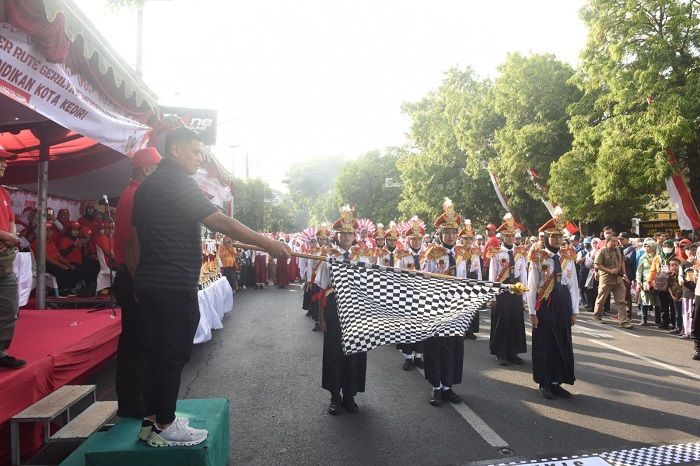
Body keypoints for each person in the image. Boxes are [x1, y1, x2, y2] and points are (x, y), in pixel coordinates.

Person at [132, 128, 289, 447]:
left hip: (152, 282)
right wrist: (267, 243)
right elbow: (219, 221)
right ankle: (165, 423)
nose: (199, 159)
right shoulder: (177, 182)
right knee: (172, 354)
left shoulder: (147, 186)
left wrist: (140, 278)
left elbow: (134, 240)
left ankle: (153, 419)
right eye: (194, 152)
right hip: (172, 282)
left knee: (157, 353)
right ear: (175, 150)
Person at [111, 146, 162, 419]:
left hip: (134, 276)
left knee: (138, 340)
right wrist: (142, 282)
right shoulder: (134, 195)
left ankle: (134, 400)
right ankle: (133, 403)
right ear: (146, 169)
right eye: (157, 168)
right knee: (137, 342)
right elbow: (132, 246)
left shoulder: (135, 193)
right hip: (134, 277)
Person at [315, 206, 370, 415]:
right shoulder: (328, 257)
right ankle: (334, 396)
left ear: (354, 235)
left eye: (350, 233)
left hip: (358, 312)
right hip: (335, 311)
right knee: (334, 353)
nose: (347, 236)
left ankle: (349, 395)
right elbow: (321, 290)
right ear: (336, 235)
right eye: (343, 233)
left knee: (355, 352)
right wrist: (321, 317)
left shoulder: (363, 256)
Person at [526, 208, 579, 400]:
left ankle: (557, 381)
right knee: (545, 342)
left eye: (559, 236)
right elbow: (532, 285)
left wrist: (575, 310)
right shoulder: (539, 257)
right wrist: (532, 310)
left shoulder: (568, 256)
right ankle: (544, 382)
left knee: (562, 342)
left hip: (563, 302)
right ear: (546, 237)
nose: (557, 239)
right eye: (553, 236)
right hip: (545, 302)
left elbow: (573, 285)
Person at [422, 198, 466, 406]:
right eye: (446, 232)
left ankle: (449, 386)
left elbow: (466, 281)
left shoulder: (461, 253)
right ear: (440, 234)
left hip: (456, 307)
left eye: (453, 231)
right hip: (436, 306)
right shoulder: (433, 253)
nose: (450, 235)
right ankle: (436, 387)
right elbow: (423, 279)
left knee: (452, 346)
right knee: (436, 347)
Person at [488, 213, 528, 365]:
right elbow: (492, 275)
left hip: (516, 288)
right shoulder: (497, 253)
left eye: (512, 235)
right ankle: (501, 352)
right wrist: (492, 296)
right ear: (502, 236)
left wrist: (524, 295)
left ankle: (513, 351)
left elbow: (523, 273)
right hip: (502, 289)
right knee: (502, 321)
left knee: (515, 321)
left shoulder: (520, 252)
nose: (510, 238)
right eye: (507, 235)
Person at [0, 149, 24, 369]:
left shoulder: (4, 193)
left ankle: (0, 351)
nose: (4, 164)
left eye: (5, 160)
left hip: (4, 260)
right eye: (0, 160)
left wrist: (12, 235)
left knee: (9, 307)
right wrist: (7, 236)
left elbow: (11, 220)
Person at [395, 216, 426, 370]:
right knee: (408, 327)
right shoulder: (402, 255)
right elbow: (396, 276)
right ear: (408, 240)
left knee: (421, 327)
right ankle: (408, 357)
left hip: (423, 295)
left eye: (419, 239)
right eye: (413, 239)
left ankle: (419, 355)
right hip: (406, 295)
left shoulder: (428, 254)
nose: (416, 242)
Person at [593, 235, 633, 328]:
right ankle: (597, 316)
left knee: (621, 301)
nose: (616, 243)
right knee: (601, 299)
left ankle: (623, 321)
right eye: (613, 241)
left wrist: (625, 274)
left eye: (616, 241)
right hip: (606, 279)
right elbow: (597, 265)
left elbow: (622, 261)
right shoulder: (601, 251)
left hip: (618, 279)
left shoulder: (619, 250)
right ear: (607, 242)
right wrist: (609, 271)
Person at [636, 239, 660, 326]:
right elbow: (639, 271)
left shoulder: (658, 257)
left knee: (657, 301)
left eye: (648, 246)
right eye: (645, 246)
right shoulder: (643, 257)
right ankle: (644, 319)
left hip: (656, 282)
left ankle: (658, 321)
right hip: (646, 282)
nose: (646, 247)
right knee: (644, 300)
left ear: (653, 247)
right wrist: (638, 282)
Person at [679, 243, 697, 339]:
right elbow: (680, 275)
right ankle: (687, 332)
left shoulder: (698, 262)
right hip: (686, 290)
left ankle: (694, 331)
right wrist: (680, 279)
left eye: (694, 249)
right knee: (686, 312)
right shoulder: (683, 263)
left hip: (696, 292)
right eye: (689, 250)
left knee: (694, 313)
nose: (691, 251)